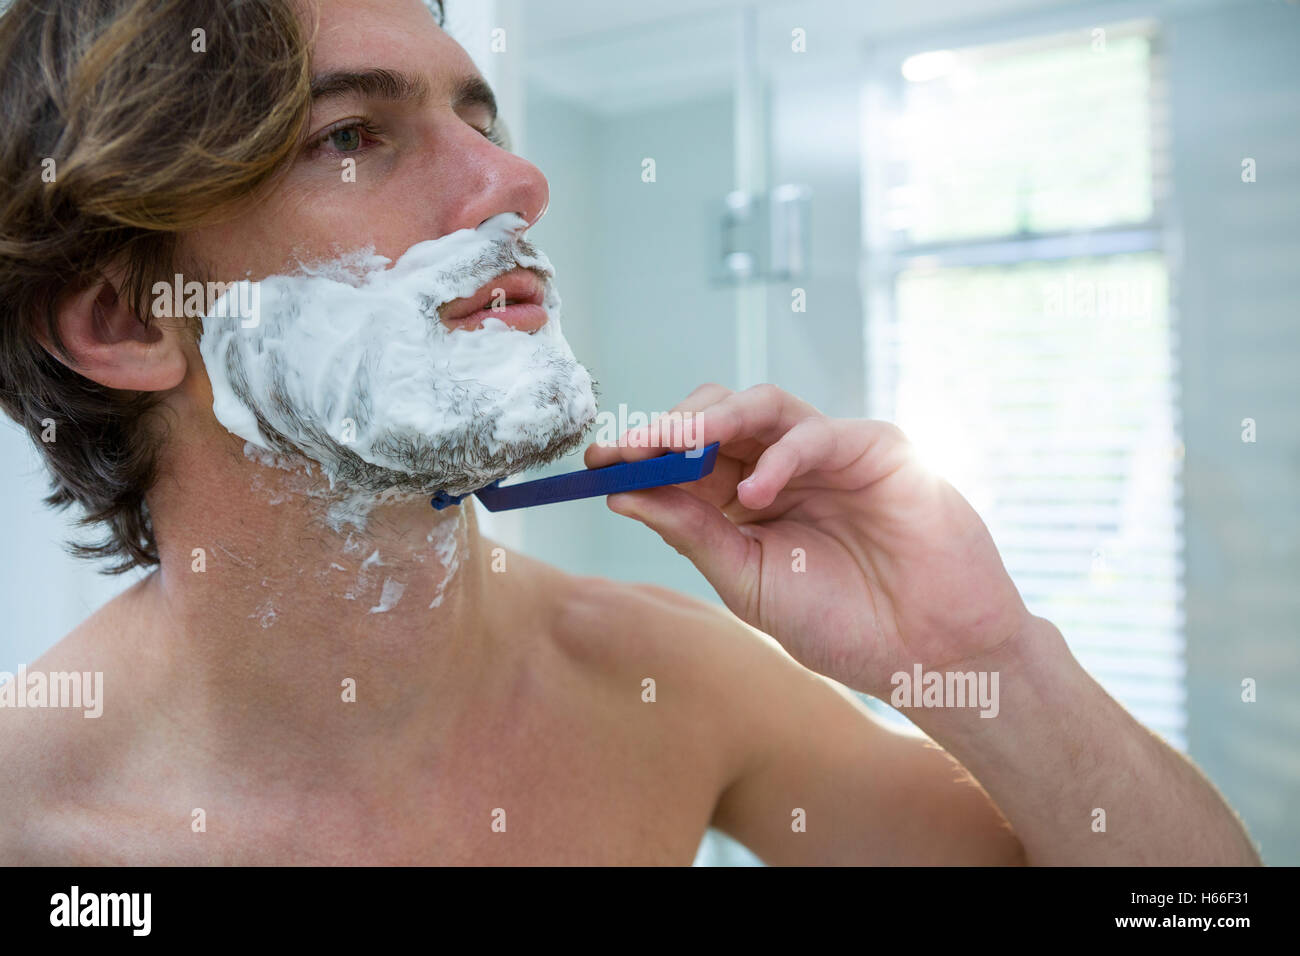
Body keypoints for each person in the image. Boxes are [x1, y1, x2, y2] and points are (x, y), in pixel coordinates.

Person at [0, 0, 1259, 865]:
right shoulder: (31, 813)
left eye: (478, 119)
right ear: (123, 319)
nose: (516, 180)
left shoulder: (668, 679)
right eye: (352, 136)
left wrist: (991, 653)